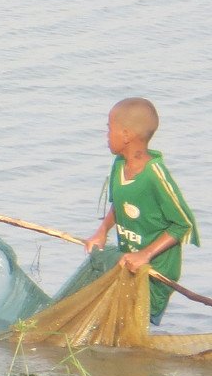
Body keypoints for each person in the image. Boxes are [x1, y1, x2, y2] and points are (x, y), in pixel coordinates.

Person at [84, 97, 199, 325]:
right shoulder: (119, 165)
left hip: (155, 271)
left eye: (109, 129)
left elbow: (183, 224)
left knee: (132, 325)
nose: (106, 135)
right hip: (129, 260)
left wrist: (145, 255)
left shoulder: (155, 176)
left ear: (126, 135)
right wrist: (102, 231)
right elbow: (119, 204)